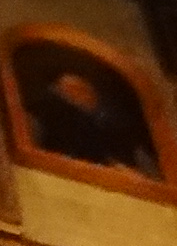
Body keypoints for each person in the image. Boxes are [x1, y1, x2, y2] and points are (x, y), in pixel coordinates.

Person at [22, 62, 158, 176]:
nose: (78, 96)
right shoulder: (50, 115)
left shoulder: (118, 126)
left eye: (83, 90)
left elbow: (141, 162)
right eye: (69, 91)